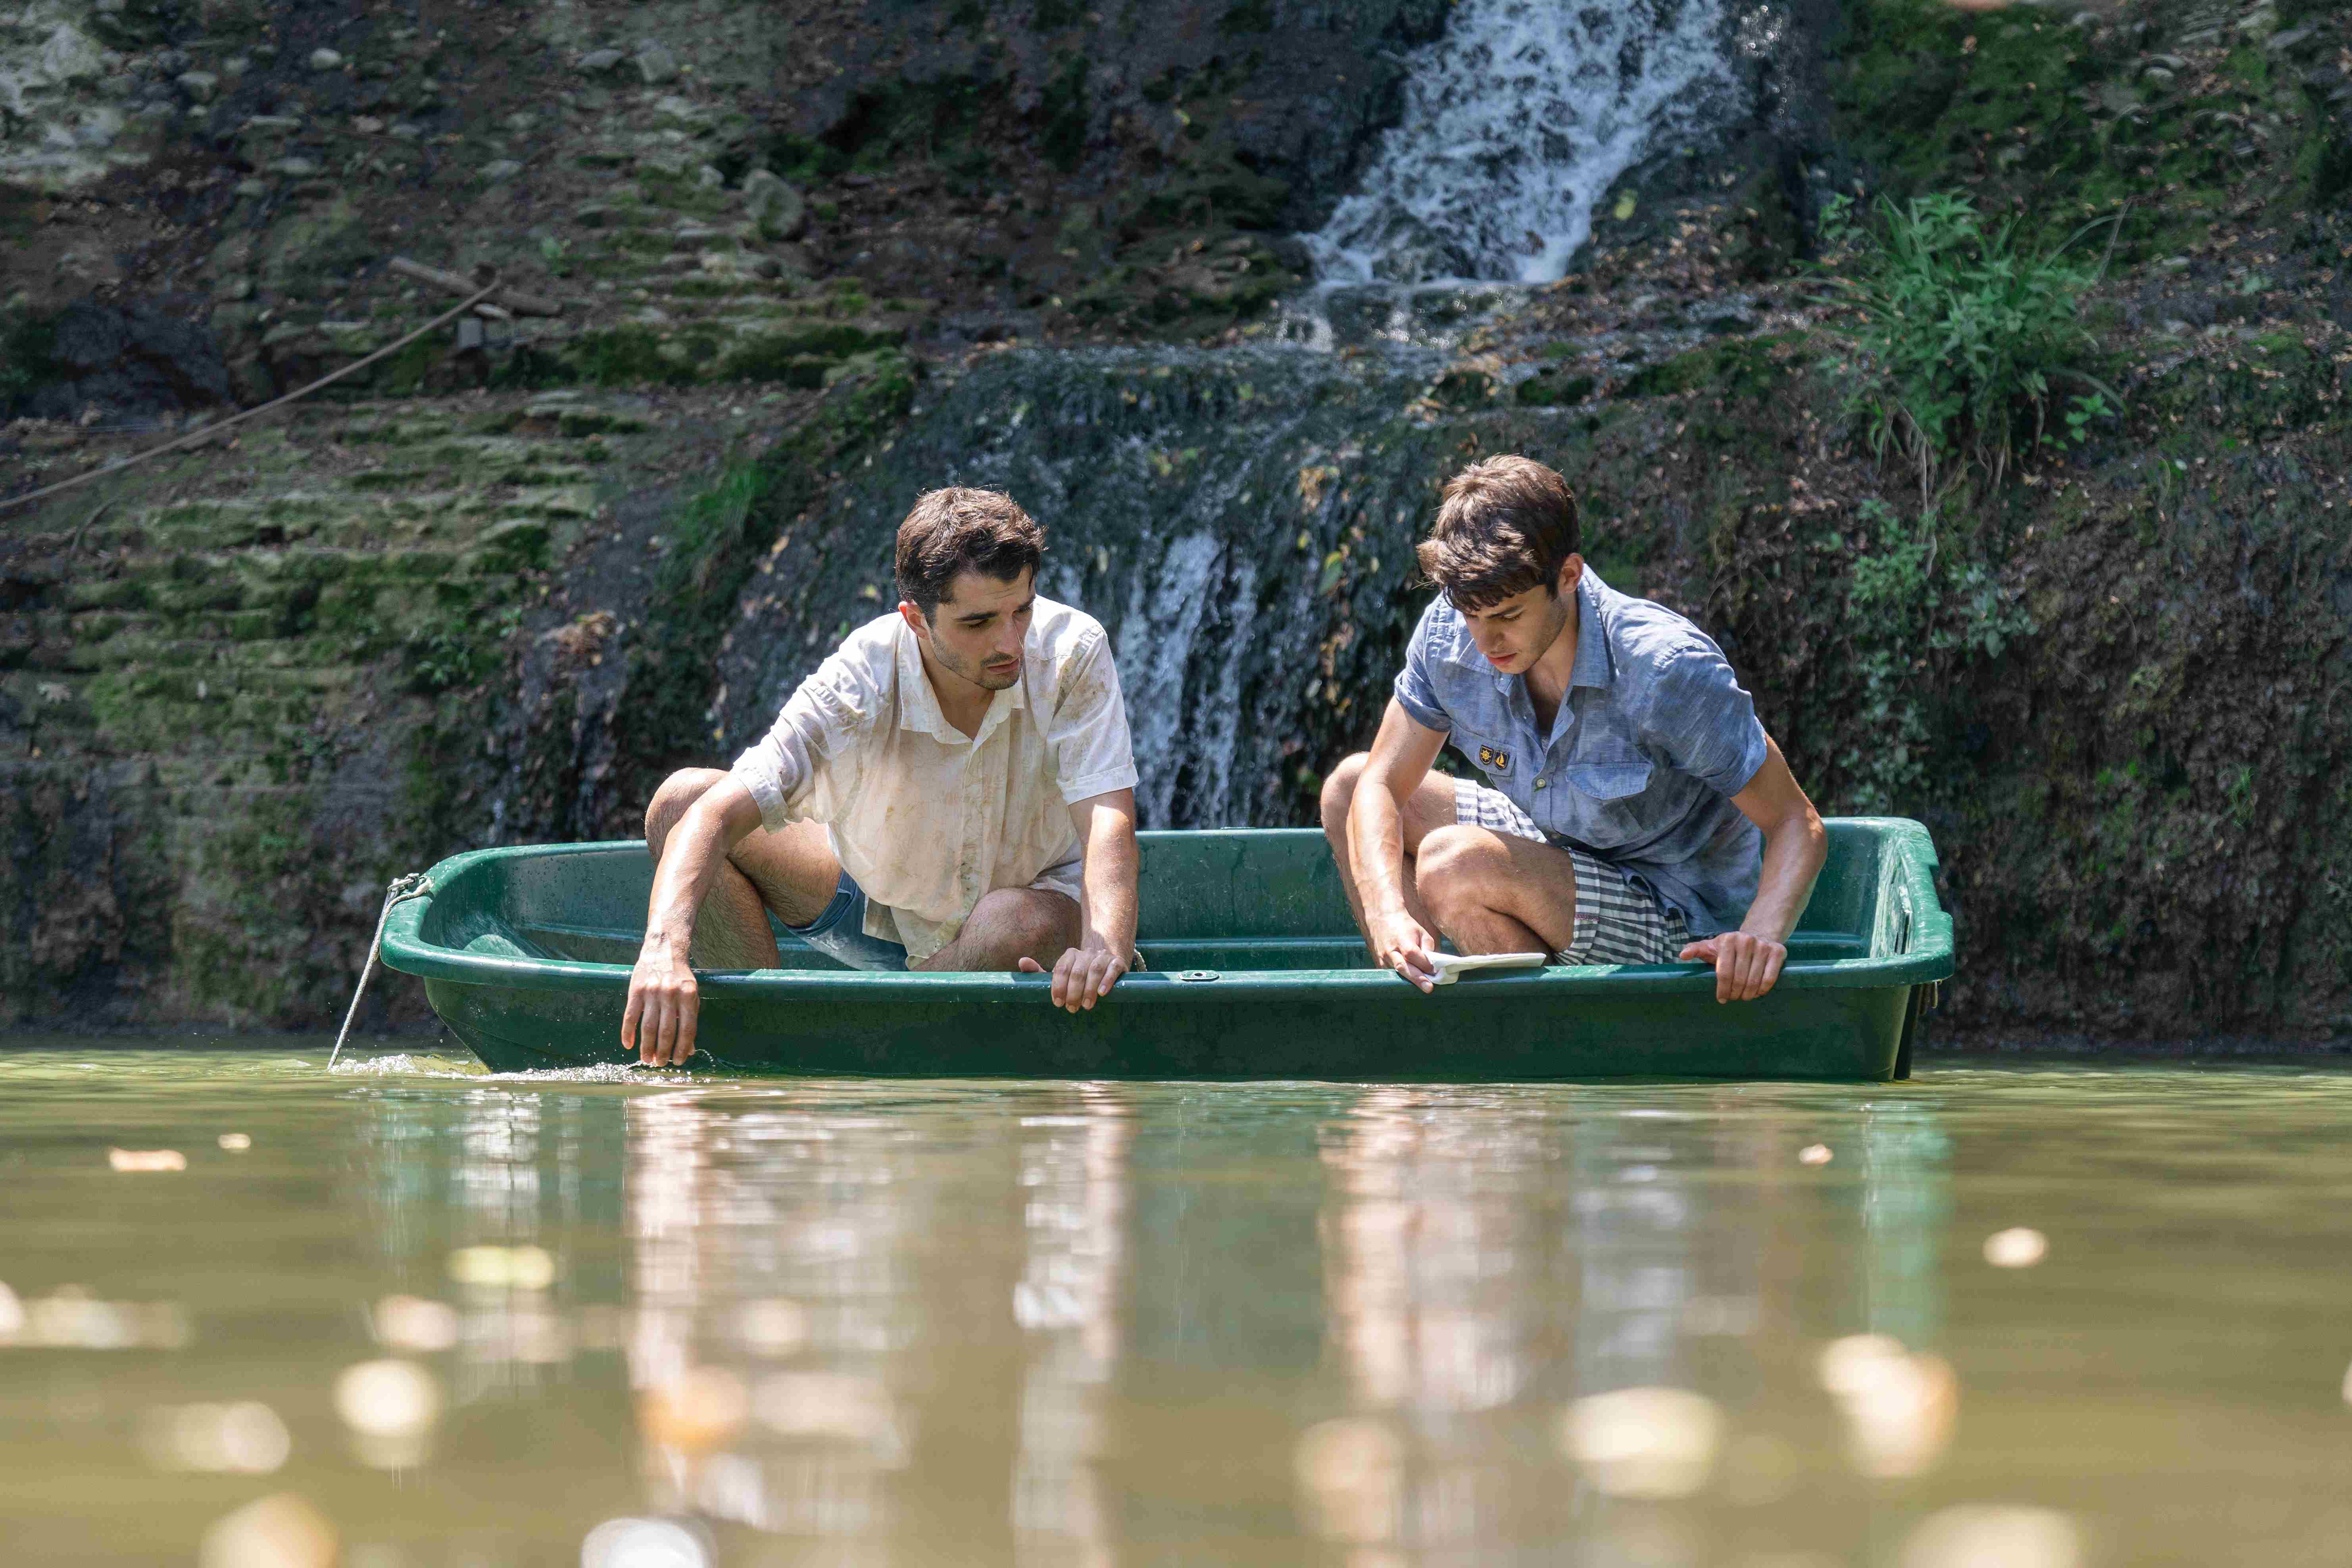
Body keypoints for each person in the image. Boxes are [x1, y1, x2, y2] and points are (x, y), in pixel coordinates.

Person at [624, 487, 1143, 1066]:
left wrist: (1104, 948)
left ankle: (845, 1051)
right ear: (916, 619)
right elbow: (714, 816)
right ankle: (771, 1050)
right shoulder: (860, 679)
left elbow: (1107, 815)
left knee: (1011, 921)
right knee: (682, 801)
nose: (1010, 642)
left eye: (1021, 610)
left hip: (1025, 925)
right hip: (876, 906)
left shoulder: (1071, 650)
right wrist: (663, 952)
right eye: (978, 622)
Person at [1321, 455, 1826, 1001]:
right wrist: (1387, 914)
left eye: (1509, 616)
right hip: (1560, 848)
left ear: (1567, 576)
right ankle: (1425, 1010)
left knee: (1454, 862)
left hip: (1678, 916)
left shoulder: (1663, 668)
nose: (1485, 642)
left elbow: (1796, 822)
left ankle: (1536, 1050)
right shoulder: (1451, 630)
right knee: (1349, 788)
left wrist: (1756, 937)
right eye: (1472, 614)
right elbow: (1379, 786)